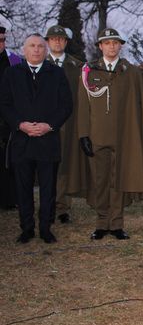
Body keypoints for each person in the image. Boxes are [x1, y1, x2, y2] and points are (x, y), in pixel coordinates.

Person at [70, 28, 143, 240]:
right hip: (97, 137)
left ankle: (116, 224)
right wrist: (83, 134)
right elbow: (83, 106)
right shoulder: (89, 71)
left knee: (119, 181)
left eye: (115, 43)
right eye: (107, 43)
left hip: (123, 137)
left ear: (120, 46)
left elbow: (139, 106)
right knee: (100, 180)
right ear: (100, 46)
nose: (111, 47)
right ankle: (101, 223)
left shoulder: (131, 72)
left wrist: (137, 135)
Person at [0, 34, 72, 243]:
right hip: (22, 141)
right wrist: (20, 124)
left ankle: (45, 228)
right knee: (23, 188)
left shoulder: (57, 74)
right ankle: (27, 228)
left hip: (47, 141)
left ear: (46, 49)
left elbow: (66, 105)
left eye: (41, 46)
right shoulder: (11, 73)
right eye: (32, 46)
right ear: (24, 50)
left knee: (49, 188)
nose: (37, 50)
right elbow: (4, 104)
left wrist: (49, 126)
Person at [45, 25, 82, 224]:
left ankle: (62, 207)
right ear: (48, 42)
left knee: (65, 166)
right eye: (53, 39)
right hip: (44, 124)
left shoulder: (77, 67)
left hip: (69, 123)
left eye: (60, 39)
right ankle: (47, 205)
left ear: (65, 42)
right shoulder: (38, 63)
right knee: (46, 166)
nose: (57, 42)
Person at [0, 26, 22, 210]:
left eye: (2, 40)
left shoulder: (14, 61)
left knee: (8, 161)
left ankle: (9, 199)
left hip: (8, 118)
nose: (1, 44)